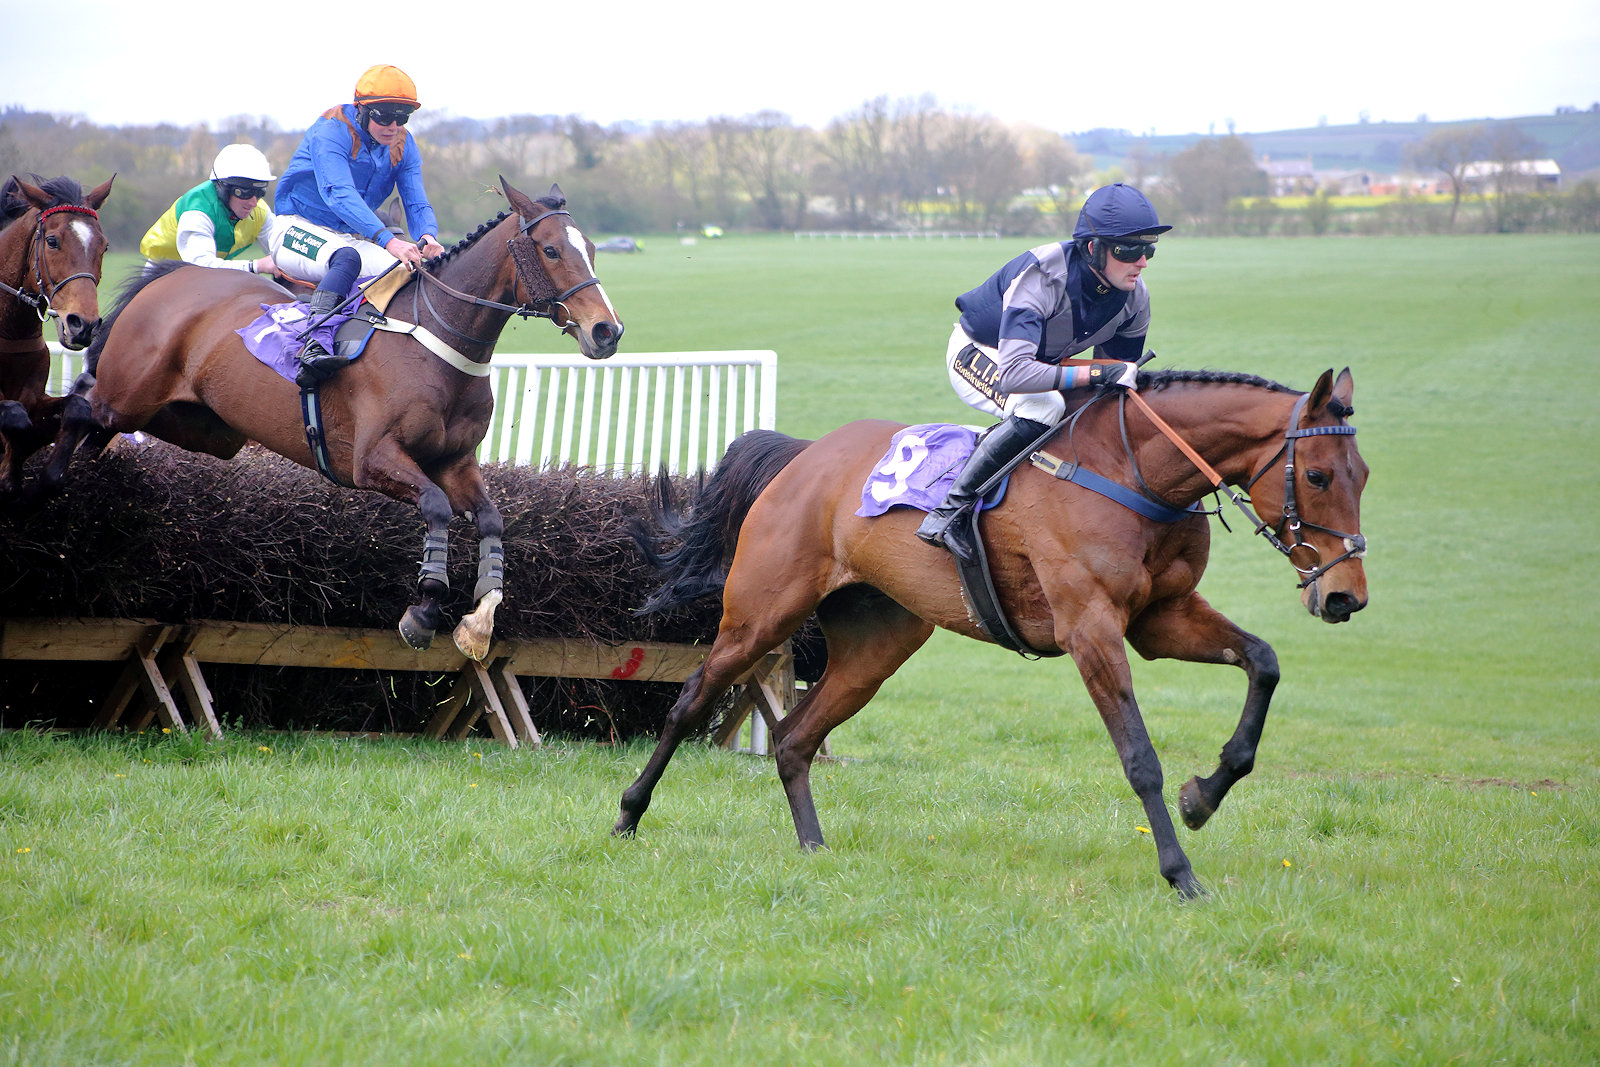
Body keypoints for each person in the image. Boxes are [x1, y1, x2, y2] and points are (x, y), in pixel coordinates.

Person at [915, 182, 1171, 561]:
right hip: (983, 353)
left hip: (1042, 362)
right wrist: (1097, 375)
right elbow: (1016, 375)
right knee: (1044, 407)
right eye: (1128, 250)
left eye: (1148, 249)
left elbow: (1111, 385)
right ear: (1093, 249)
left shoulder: (1135, 298)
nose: (1142, 262)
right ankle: (949, 512)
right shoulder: (1043, 276)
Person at [269, 64, 447, 384]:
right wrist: (388, 240)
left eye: (403, 117)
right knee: (346, 258)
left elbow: (416, 202)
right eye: (384, 116)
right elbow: (339, 194)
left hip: (349, 235)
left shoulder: (403, 144)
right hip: (295, 228)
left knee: (408, 268)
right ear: (361, 109)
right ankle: (314, 344)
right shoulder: (330, 130)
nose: (393, 126)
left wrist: (427, 235)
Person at [139, 143, 283, 276]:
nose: (253, 203)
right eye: (244, 193)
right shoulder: (197, 212)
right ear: (222, 189)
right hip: (161, 277)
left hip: (203, 280)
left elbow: (283, 252)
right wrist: (256, 266)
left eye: (259, 193)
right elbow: (202, 267)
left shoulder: (260, 212)